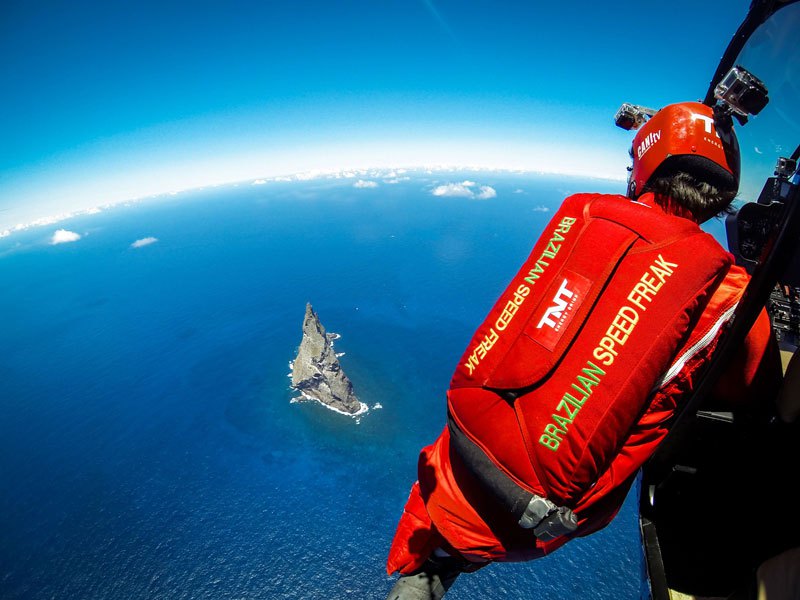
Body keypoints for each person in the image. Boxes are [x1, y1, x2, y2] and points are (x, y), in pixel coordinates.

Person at [384, 101, 783, 600]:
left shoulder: (583, 211)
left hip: (457, 449)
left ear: (646, 166)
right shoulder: (728, 286)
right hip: (534, 514)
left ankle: (436, 563)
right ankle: (446, 559)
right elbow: (753, 390)